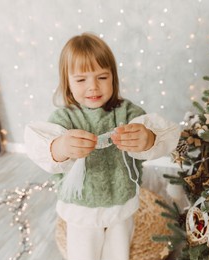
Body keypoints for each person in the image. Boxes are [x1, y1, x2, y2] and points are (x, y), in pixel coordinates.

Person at [24, 32, 180, 260]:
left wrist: (147, 138)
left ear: (113, 78)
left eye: (102, 77)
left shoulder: (127, 113)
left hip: (122, 201)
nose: (93, 87)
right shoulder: (64, 119)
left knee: (118, 251)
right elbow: (39, 145)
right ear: (67, 82)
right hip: (82, 206)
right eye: (81, 79)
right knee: (83, 252)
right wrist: (60, 147)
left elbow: (165, 133)